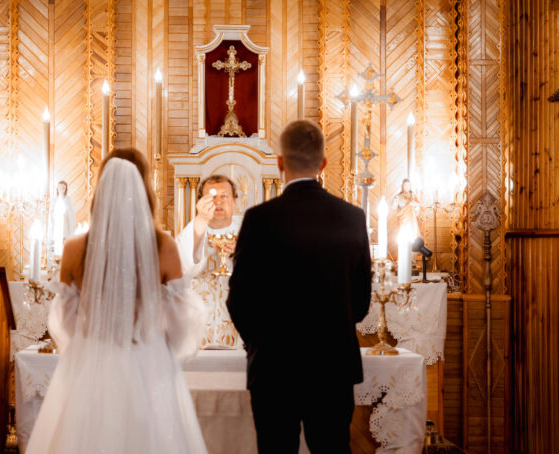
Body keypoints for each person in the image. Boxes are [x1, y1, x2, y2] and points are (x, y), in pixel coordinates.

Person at [25, 149, 208, 454]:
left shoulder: (74, 248)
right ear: (144, 189)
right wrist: (153, 345)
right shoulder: (164, 246)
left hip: (90, 362)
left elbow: (66, 323)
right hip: (147, 363)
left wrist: (92, 343)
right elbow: (178, 327)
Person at [227, 120, 371, 453]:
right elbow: (361, 302)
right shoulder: (352, 217)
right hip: (333, 366)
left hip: (274, 367)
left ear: (280, 163)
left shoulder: (259, 219)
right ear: (323, 164)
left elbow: (239, 300)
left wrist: (261, 343)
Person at [176, 175, 242, 348]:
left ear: (235, 202)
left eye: (224, 196)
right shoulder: (193, 230)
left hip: (238, 322)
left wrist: (243, 253)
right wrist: (202, 220)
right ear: (200, 202)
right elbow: (182, 267)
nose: (218, 202)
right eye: (211, 197)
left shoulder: (249, 230)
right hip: (199, 324)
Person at [52, 180, 76, 255]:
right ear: (57, 189)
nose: (61, 189)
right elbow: (51, 213)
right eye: (60, 187)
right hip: (57, 225)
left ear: (66, 189)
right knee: (57, 244)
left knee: (65, 242)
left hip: (65, 225)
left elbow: (71, 213)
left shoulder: (68, 200)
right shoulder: (54, 200)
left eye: (63, 188)